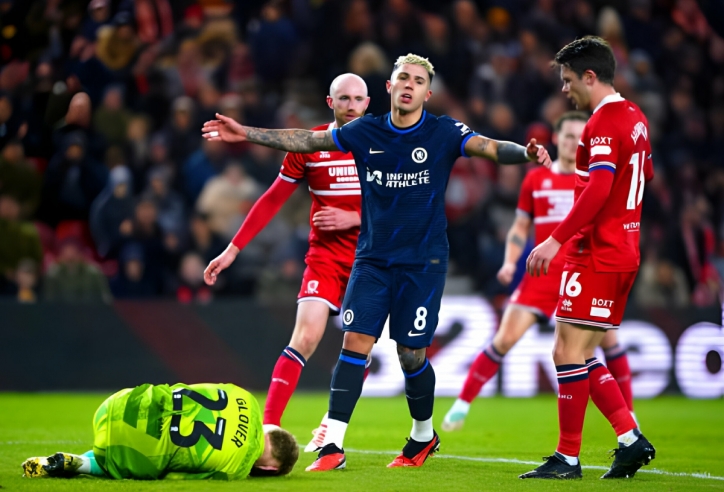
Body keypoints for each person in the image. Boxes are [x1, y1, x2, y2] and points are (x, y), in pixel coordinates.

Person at [202, 53, 551, 472]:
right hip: (371, 259)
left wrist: (525, 153)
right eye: (402, 76)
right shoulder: (366, 131)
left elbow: (489, 148)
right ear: (389, 87)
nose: (409, 84)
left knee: (411, 356)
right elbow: (307, 140)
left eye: (418, 80)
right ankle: (332, 445)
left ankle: (423, 434)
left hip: (422, 262)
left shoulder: (442, 131)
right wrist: (247, 134)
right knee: (354, 343)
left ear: (427, 92)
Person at [203, 73, 371, 450]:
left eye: (358, 99)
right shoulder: (309, 144)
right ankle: (268, 430)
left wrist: (354, 218)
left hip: (371, 259)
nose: (351, 105)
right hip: (326, 257)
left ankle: (331, 424)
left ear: (368, 102)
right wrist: (232, 249)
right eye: (343, 98)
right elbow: (272, 199)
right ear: (331, 103)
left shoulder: (383, 146)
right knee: (306, 336)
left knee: (359, 346)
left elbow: (404, 205)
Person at [442, 111, 639, 431]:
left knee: (609, 345)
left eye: (579, 138)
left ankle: (630, 417)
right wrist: (509, 262)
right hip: (541, 277)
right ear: (558, 139)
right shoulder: (536, 179)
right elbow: (520, 228)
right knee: (502, 341)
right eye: (568, 136)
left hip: (582, 274)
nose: (574, 142)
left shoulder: (595, 181)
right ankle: (462, 405)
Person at [522, 36, 656, 480]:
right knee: (581, 353)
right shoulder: (635, 118)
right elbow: (644, 177)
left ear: (590, 77)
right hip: (623, 250)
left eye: (568, 80)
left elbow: (599, 186)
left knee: (566, 351)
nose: (565, 89)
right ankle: (629, 439)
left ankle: (568, 457)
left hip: (596, 253)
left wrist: (556, 240)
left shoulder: (600, 124)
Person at [22, 382, 299, 480]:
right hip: (131, 446)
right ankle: (82, 463)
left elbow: (196, 387)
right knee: (149, 461)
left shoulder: (245, 397)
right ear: (270, 469)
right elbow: (179, 477)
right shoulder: (234, 470)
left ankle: (72, 460)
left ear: (270, 429)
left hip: (119, 403)